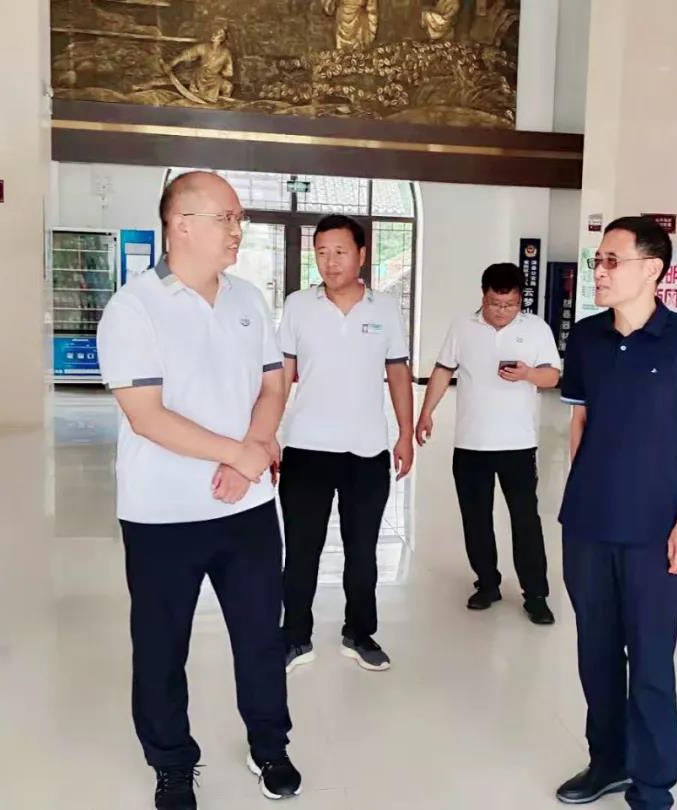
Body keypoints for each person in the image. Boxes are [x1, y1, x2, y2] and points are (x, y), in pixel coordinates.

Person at [97, 171, 301, 809]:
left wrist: (250, 455)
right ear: (181, 224)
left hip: (248, 507)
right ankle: (172, 763)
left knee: (260, 635)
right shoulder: (133, 308)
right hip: (162, 512)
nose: (238, 230)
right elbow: (146, 415)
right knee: (161, 647)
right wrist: (236, 453)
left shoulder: (248, 299)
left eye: (240, 219)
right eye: (227, 218)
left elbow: (273, 385)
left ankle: (269, 744)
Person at [555, 217, 677, 809]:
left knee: (650, 659)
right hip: (588, 526)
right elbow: (579, 423)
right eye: (597, 261)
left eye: (611, 261)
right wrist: (586, 490)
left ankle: (653, 788)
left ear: (652, 269)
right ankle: (607, 762)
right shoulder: (585, 338)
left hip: (656, 531)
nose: (598, 272)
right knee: (596, 653)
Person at [278, 214, 414, 673]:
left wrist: (405, 434)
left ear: (361, 255)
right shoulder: (298, 305)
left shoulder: (385, 309)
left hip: (366, 450)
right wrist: (266, 436)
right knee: (302, 549)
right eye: (321, 252)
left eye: (339, 252)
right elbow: (282, 376)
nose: (330, 261)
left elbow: (398, 372)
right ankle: (295, 636)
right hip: (306, 447)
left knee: (362, 550)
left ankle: (359, 633)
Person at [415, 262, 561, 624]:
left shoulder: (536, 328)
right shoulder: (463, 326)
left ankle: (536, 594)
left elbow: (552, 376)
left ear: (520, 300)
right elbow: (443, 369)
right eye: (495, 304)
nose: (501, 311)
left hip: (518, 444)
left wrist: (528, 374)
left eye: (510, 305)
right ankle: (487, 583)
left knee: (525, 520)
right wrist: (426, 412)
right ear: (483, 296)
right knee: (476, 519)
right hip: (471, 443)